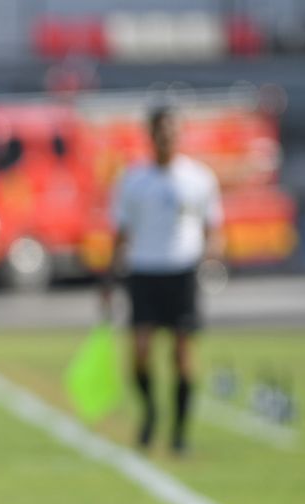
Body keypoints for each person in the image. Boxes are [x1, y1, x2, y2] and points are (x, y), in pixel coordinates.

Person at [104, 105, 225, 454]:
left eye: (172, 130)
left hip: (182, 271)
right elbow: (121, 233)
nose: (166, 137)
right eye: (160, 130)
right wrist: (110, 280)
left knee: (182, 355)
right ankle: (151, 412)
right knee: (140, 352)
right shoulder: (133, 179)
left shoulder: (198, 178)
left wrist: (212, 256)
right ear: (151, 134)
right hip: (144, 270)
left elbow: (212, 227)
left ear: (179, 133)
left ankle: (179, 433)